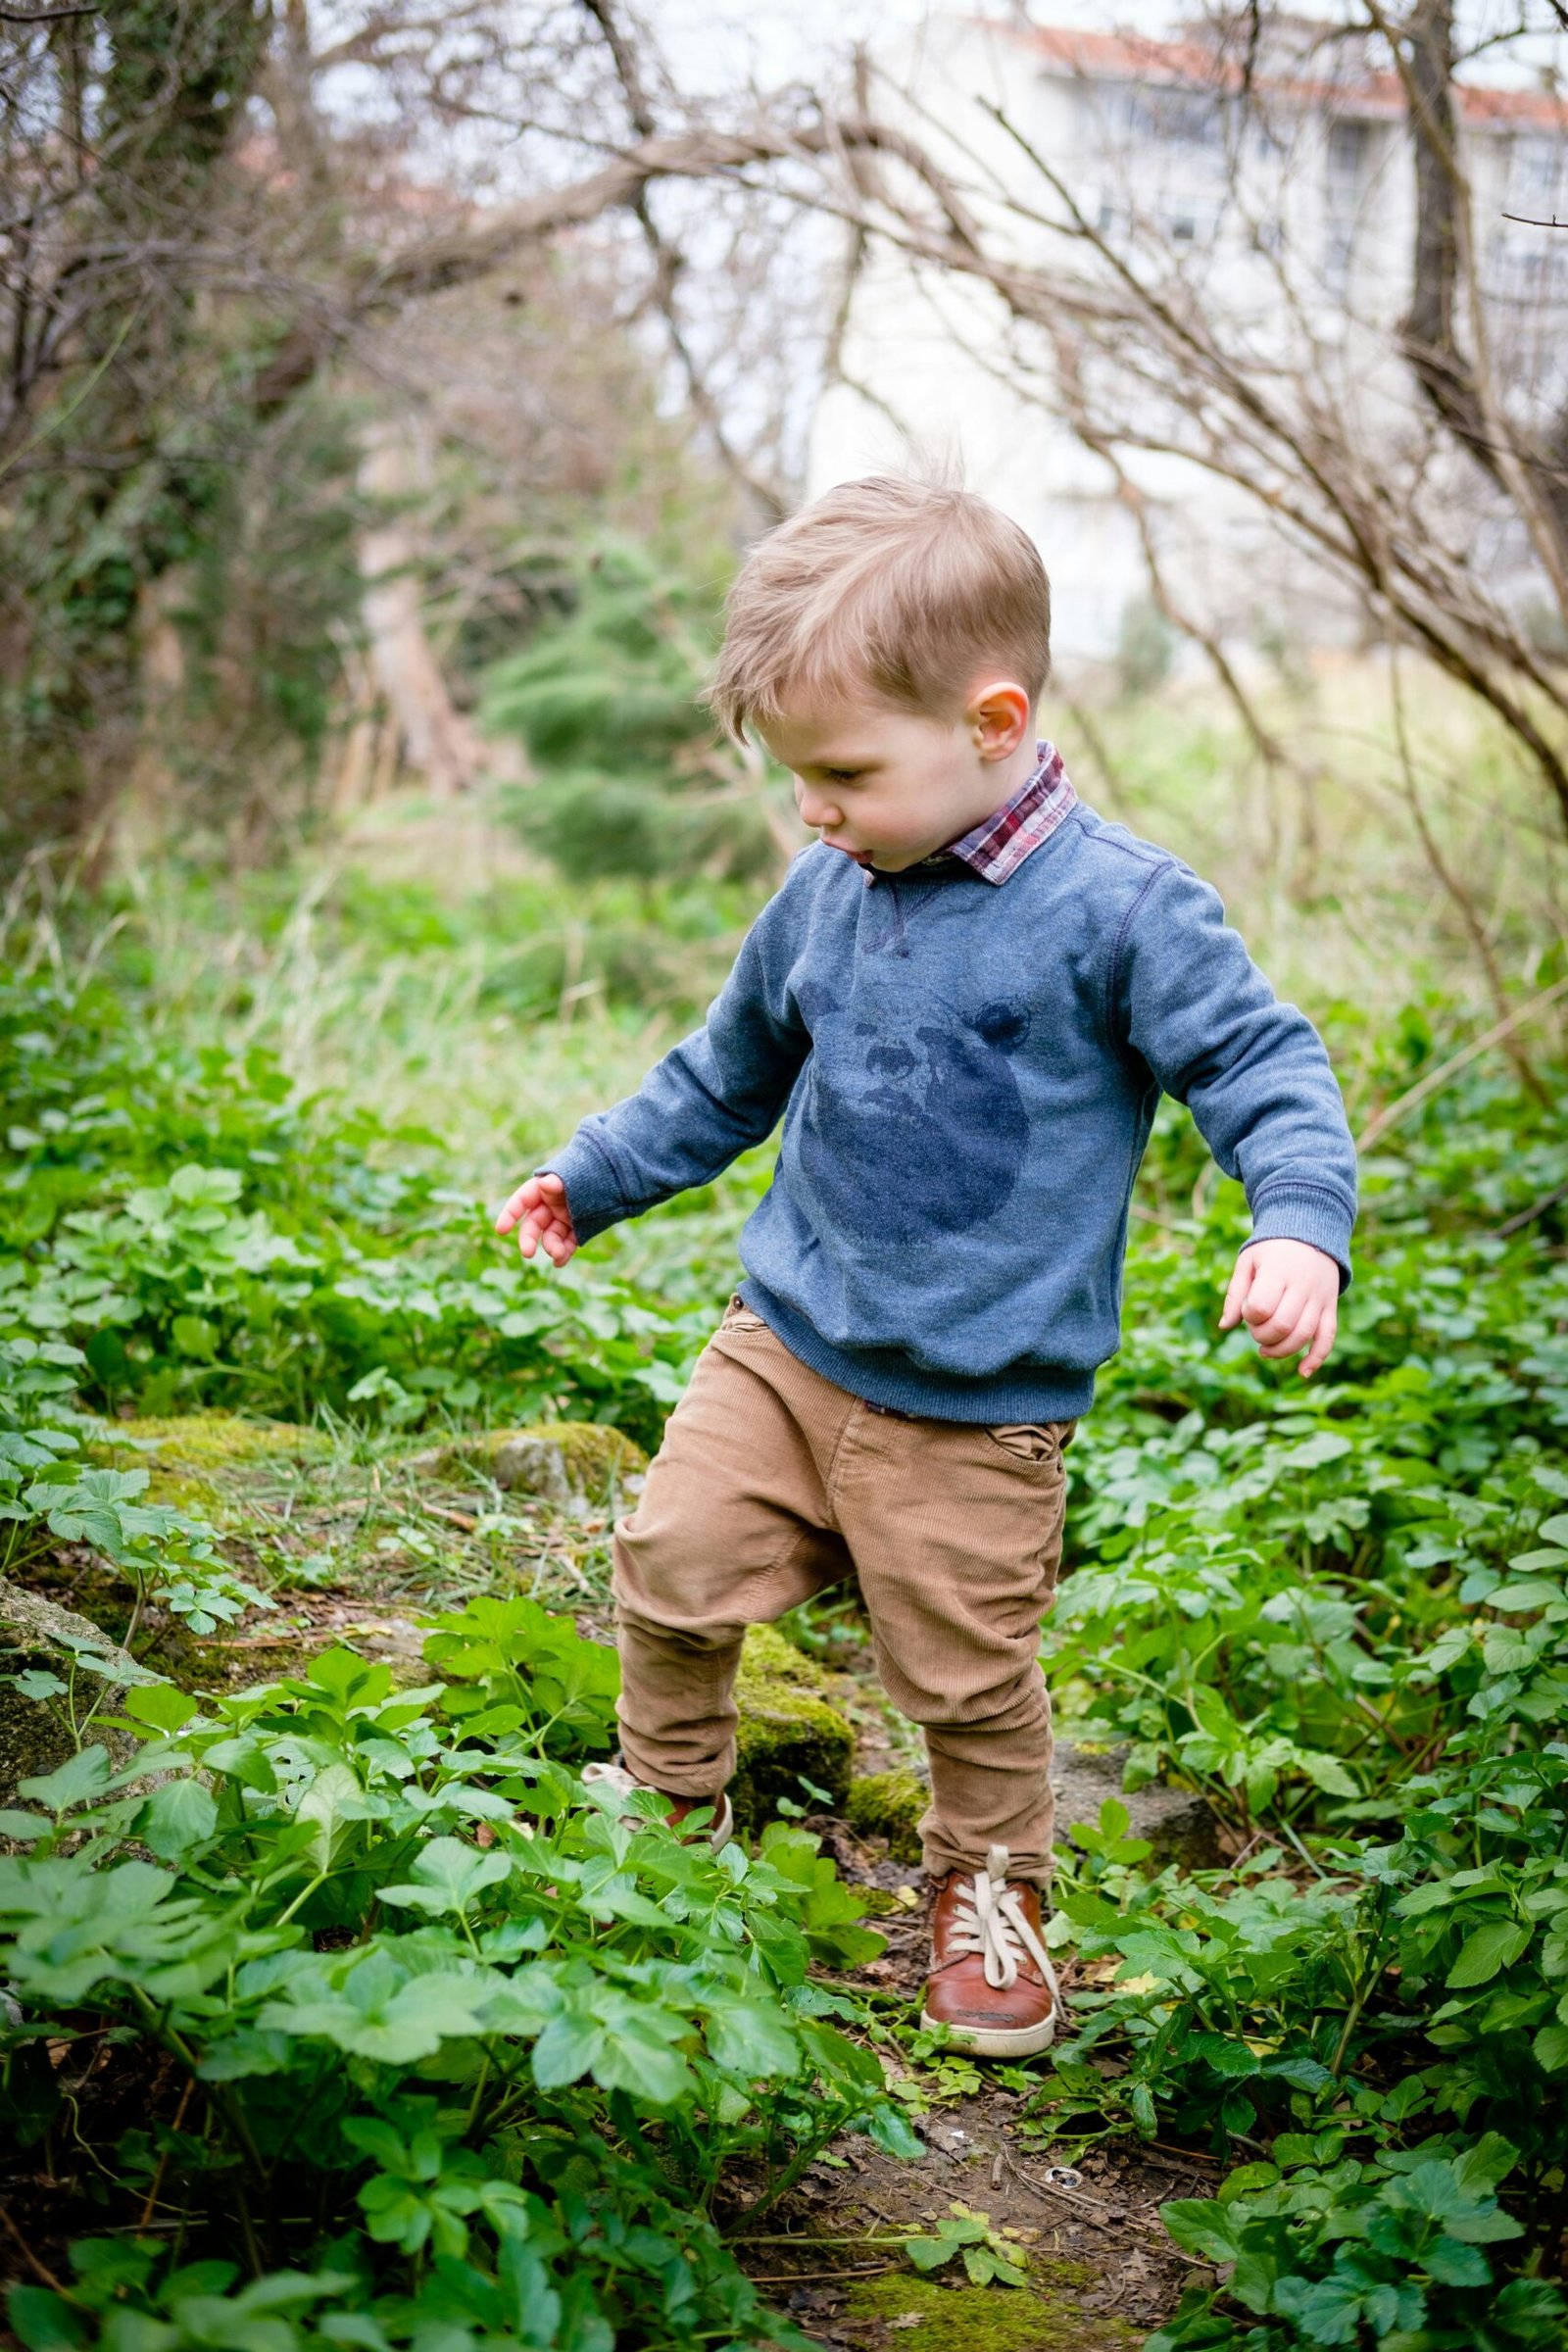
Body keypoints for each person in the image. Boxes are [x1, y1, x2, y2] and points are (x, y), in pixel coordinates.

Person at [495, 476, 1356, 2059]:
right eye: (797, 779)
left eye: (841, 774)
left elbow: (1263, 1064)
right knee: (671, 1563)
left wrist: (1296, 1218)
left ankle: (990, 1895)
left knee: (966, 1685)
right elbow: (726, 1071)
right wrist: (598, 1172)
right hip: (788, 1340)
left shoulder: (1122, 913)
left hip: (976, 1407)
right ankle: (675, 1806)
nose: (813, 812)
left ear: (993, 718)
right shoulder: (828, 889)